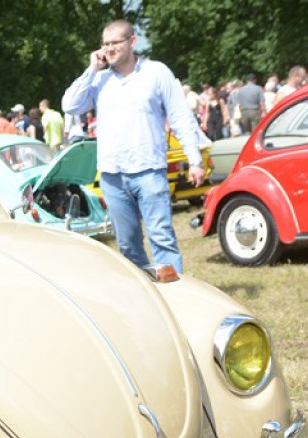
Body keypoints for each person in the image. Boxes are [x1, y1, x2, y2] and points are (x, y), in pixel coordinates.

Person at [63, 19, 204, 273]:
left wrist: (194, 159)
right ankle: (144, 300)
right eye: (105, 44)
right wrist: (92, 69)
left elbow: (180, 116)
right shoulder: (99, 80)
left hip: (149, 171)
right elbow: (69, 105)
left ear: (132, 42)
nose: (109, 49)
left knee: (161, 239)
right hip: (112, 176)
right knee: (128, 246)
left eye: (115, 42)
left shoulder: (156, 73)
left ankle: (174, 299)